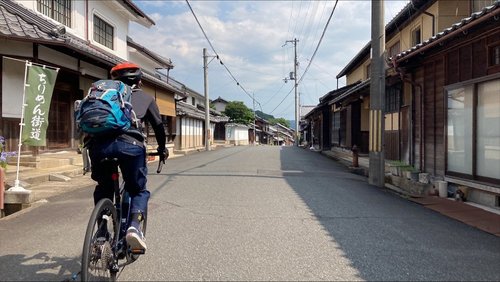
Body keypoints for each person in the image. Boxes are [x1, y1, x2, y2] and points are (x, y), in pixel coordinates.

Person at [86, 62, 167, 251]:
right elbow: (158, 126)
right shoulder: (145, 97)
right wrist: (162, 149)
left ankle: (101, 233)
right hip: (130, 146)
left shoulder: (100, 95)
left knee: (103, 188)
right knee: (138, 190)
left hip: (99, 148)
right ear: (139, 81)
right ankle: (134, 229)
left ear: (113, 81)